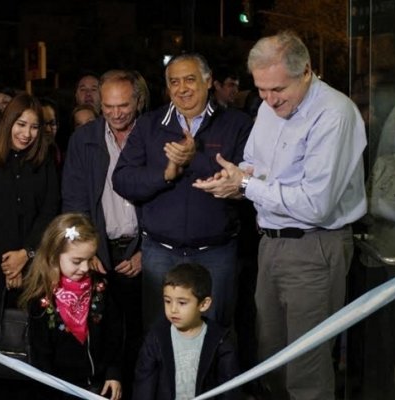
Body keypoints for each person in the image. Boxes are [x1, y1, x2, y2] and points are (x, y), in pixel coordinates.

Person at [193, 31, 367, 400]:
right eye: (261, 90)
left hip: (314, 247)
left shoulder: (334, 114)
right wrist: (232, 180)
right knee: (270, 357)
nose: (269, 100)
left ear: (306, 71)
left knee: (305, 369)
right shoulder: (270, 111)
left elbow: (316, 204)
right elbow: (254, 164)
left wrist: (247, 186)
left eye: (277, 90)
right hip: (270, 245)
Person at [112, 53, 253, 330]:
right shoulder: (149, 125)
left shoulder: (236, 124)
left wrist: (194, 159)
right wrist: (166, 172)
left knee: (215, 336)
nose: (182, 88)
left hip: (216, 253)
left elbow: (248, 184)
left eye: (190, 79)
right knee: (160, 338)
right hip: (160, 254)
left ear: (208, 80)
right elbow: (123, 180)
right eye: (174, 82)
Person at [62, 69, 145, 398]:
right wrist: (88, 252)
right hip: (99, 254)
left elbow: (163, 198)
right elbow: (74, 202)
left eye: (123, 105)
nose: (116, 113)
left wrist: (145, 252)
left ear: (138, 101)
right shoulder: (83, 140)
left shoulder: (151, 134)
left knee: (144, 332)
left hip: (143, 252)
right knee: (105, 333)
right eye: (108, 107)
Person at [0, 93, 60, 310]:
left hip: (36, 265)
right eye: (21, 124)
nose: (27, 134)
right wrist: (11, 265)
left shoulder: (44, 162)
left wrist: (26, 254)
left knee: (35, 336)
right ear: (8, 122)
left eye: (34, 127)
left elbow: (49, 210)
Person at [19, 213, 123, 400]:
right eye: (77, 261)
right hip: (59, 390)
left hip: (99, 387)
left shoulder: (101, 287)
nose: (85, 268)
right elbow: (41, 355)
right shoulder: (40, 299)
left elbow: (114, 334)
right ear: (53, 256)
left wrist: (113, 373)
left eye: (90, 259)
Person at [133, 262, 240, 400]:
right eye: (167, 301)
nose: (173, 309)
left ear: (204, 304)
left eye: (182, 303)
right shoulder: (156, 338)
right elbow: (144, 385)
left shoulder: (220, 340)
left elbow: (230, 388)